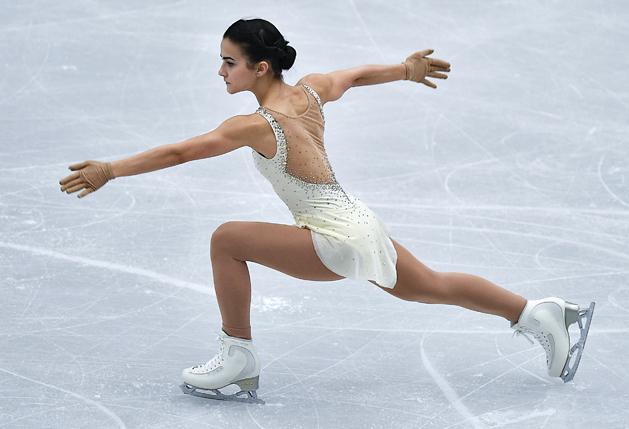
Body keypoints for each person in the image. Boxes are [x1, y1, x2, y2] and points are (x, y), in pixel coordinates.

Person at [59, 18, 595, 403]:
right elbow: (353, 77)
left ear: (259, 67)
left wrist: (112, 169)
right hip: (358, 221)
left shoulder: (254, 125)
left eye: (229, 62)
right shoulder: (310, 92)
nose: (220, 71)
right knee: (430, 285)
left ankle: (238, 358)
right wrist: (404, 70)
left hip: (334, 237)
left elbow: (181, 152)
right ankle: (539, 313)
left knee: (226, 239)